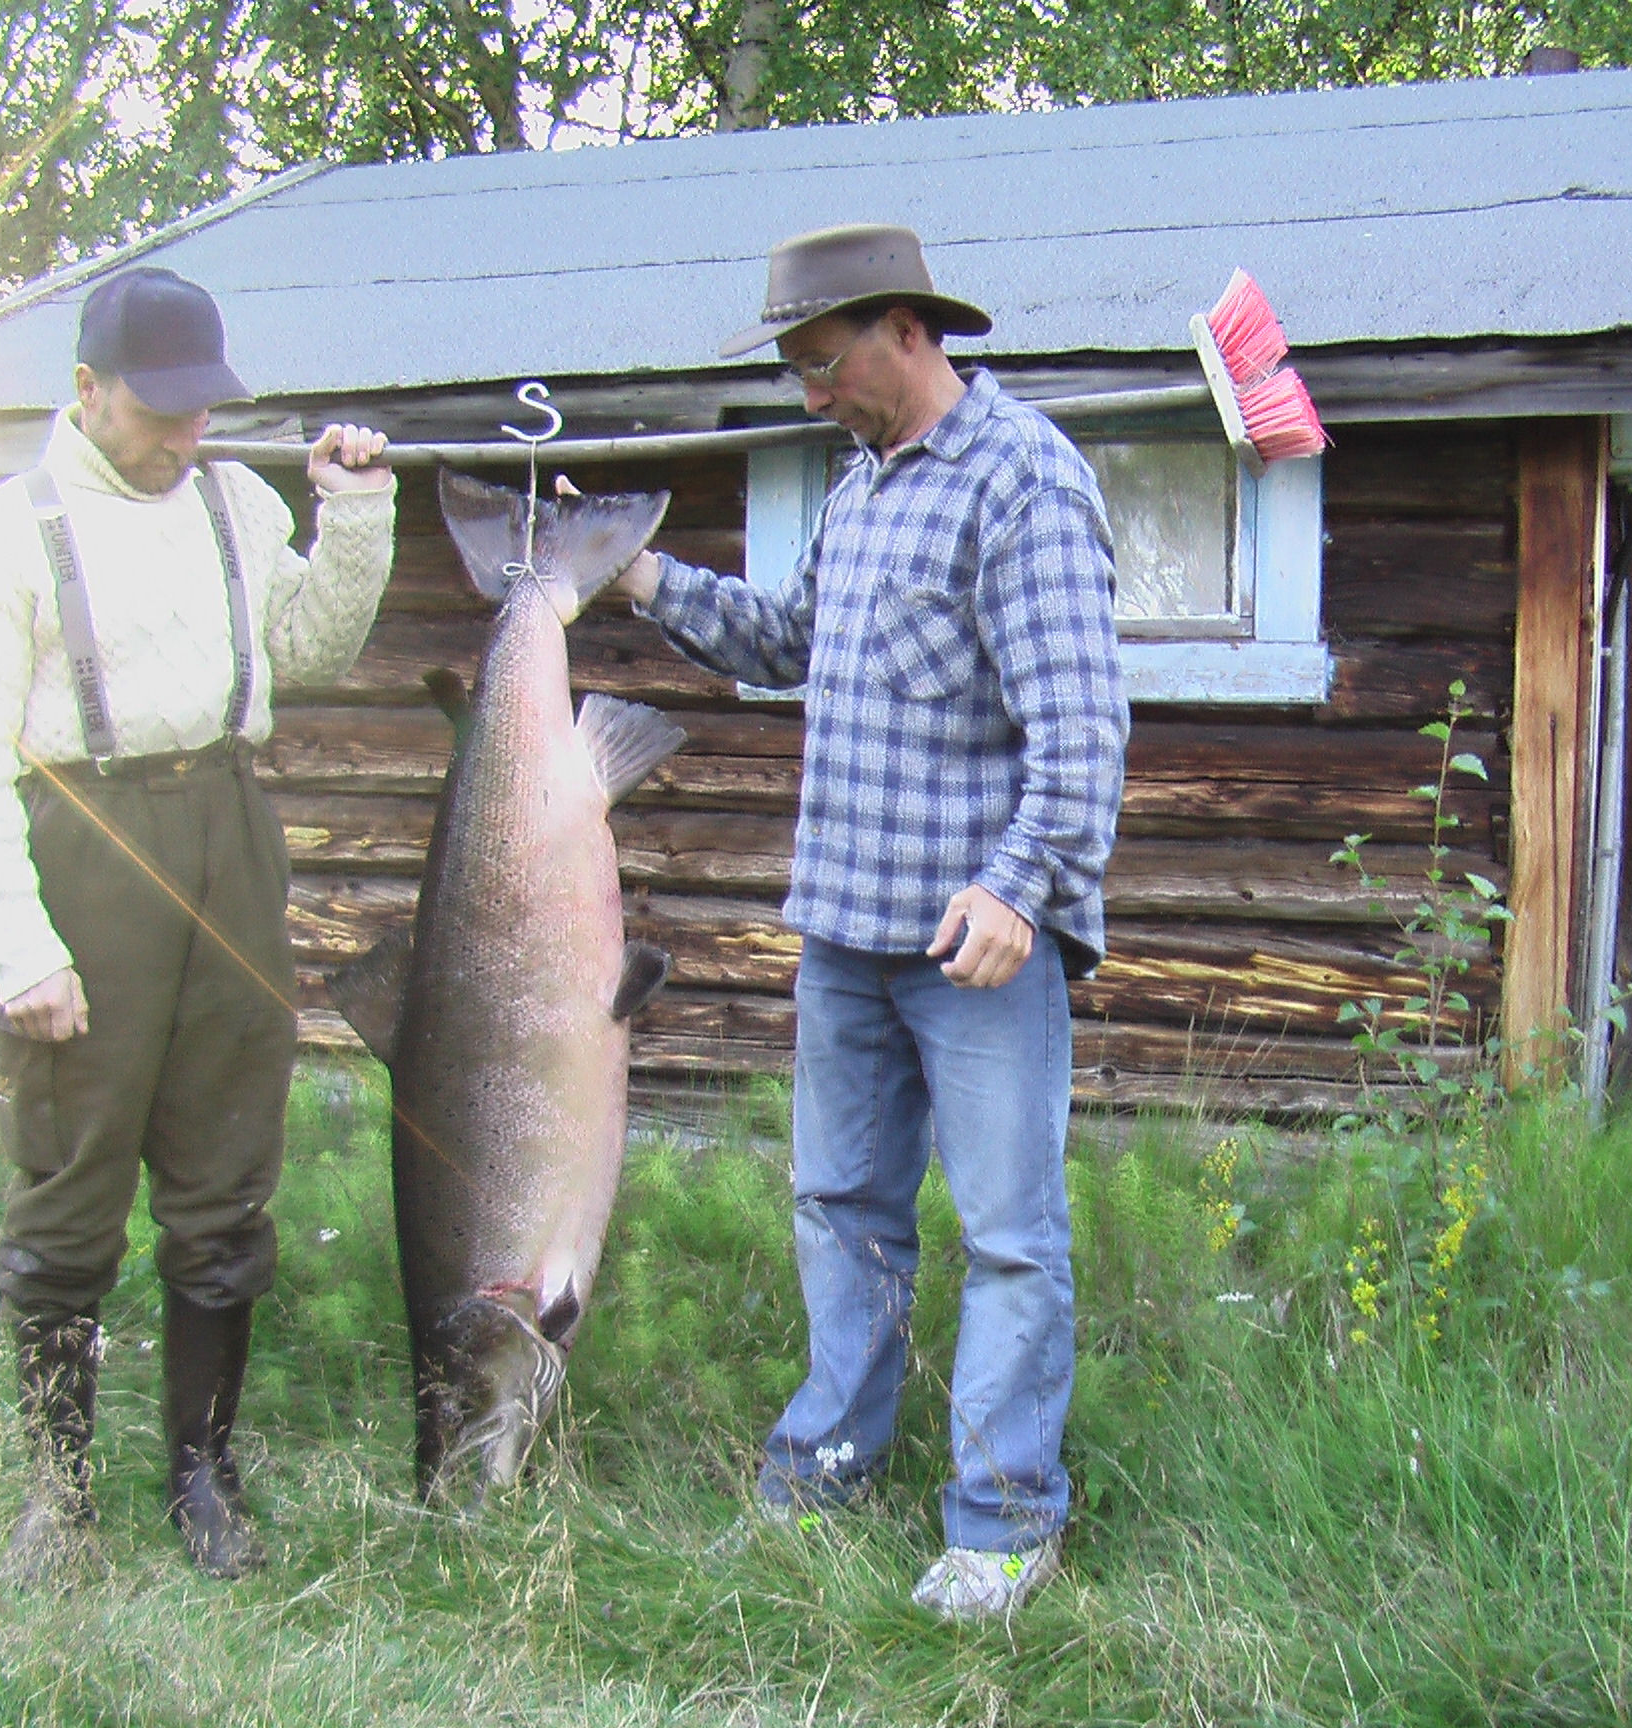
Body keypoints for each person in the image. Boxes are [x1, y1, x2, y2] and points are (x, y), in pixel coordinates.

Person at [611, 224, 1128, 1621]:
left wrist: (1021, 887)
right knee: (844, 1212)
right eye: (792, 364)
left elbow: (1081, 730)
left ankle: (1003, 1529)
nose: (805, 388)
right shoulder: (862, 487)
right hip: (843, 929)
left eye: (819, 359)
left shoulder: (1021, 479)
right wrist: (645, 577)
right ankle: (827, 1469)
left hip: (977, 953)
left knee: (1011, 1235)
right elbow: (789, 643)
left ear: (905, 329)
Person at [0, 266, 397, 1586]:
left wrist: (353, 514)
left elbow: (304, 651)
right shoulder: (11, 536)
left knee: (225, 1179)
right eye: (160, 408)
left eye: (204, 409)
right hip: (86, 855)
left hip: (229, 842)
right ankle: (57, 1494)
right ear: (87, 390)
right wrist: (20, 948)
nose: (186, 434)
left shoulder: (236, 505)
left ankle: (203, 1474)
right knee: (69, 1188)